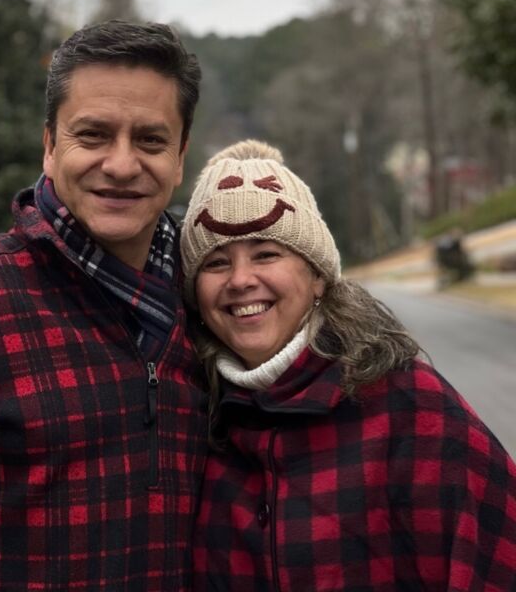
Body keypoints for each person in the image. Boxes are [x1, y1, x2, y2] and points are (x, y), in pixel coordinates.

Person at [0, 20, 209, 591]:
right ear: (50, 146)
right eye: (93, 135)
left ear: (180, 157)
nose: (122, 164)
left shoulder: (205, 302)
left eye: (150, 141)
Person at [180, 140, 516, 592]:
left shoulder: (413, 410)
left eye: (266, 254)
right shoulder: (194, 421)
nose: (240, 280)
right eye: (217, 263)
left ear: (318, 276)